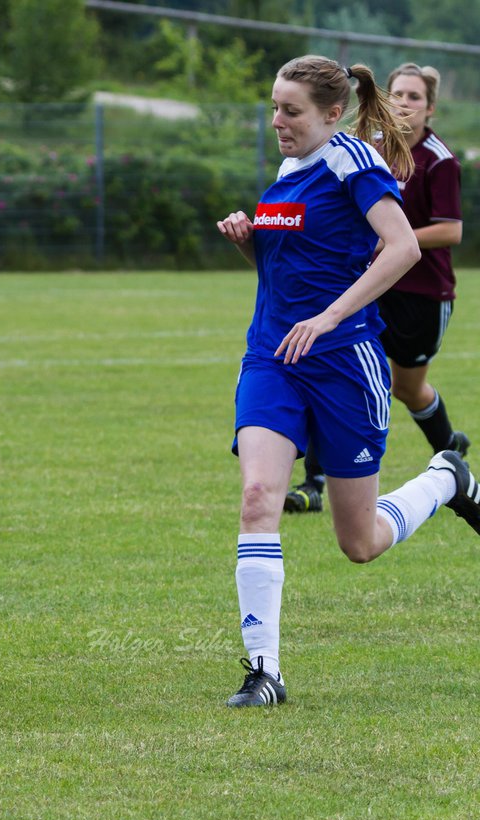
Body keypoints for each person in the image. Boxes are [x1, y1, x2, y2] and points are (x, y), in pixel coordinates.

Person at [215, 55, 480, 708]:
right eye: (274, 107)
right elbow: (287, 269)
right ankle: (264, 671)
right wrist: (249, 241)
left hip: (344, 366)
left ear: (332, 114)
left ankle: (447, 478)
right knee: (258, 497)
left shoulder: (352, 162)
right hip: (273, 358)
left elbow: (404, 247)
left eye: (291, 110)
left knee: (359, 544)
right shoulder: (286, 171)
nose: (277, 121)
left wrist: (332, 315)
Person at [284, 62, 469, 513]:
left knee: (408, 388)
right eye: (398, 94)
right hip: (373, 284)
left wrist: (393, 237)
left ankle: (450, 453)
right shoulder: (370, 150)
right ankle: (315, 483)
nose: (404, 103)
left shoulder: (439, 159)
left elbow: (450, 232)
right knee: (338, 372)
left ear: (431, 109)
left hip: (424, 293)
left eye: (414, 97)